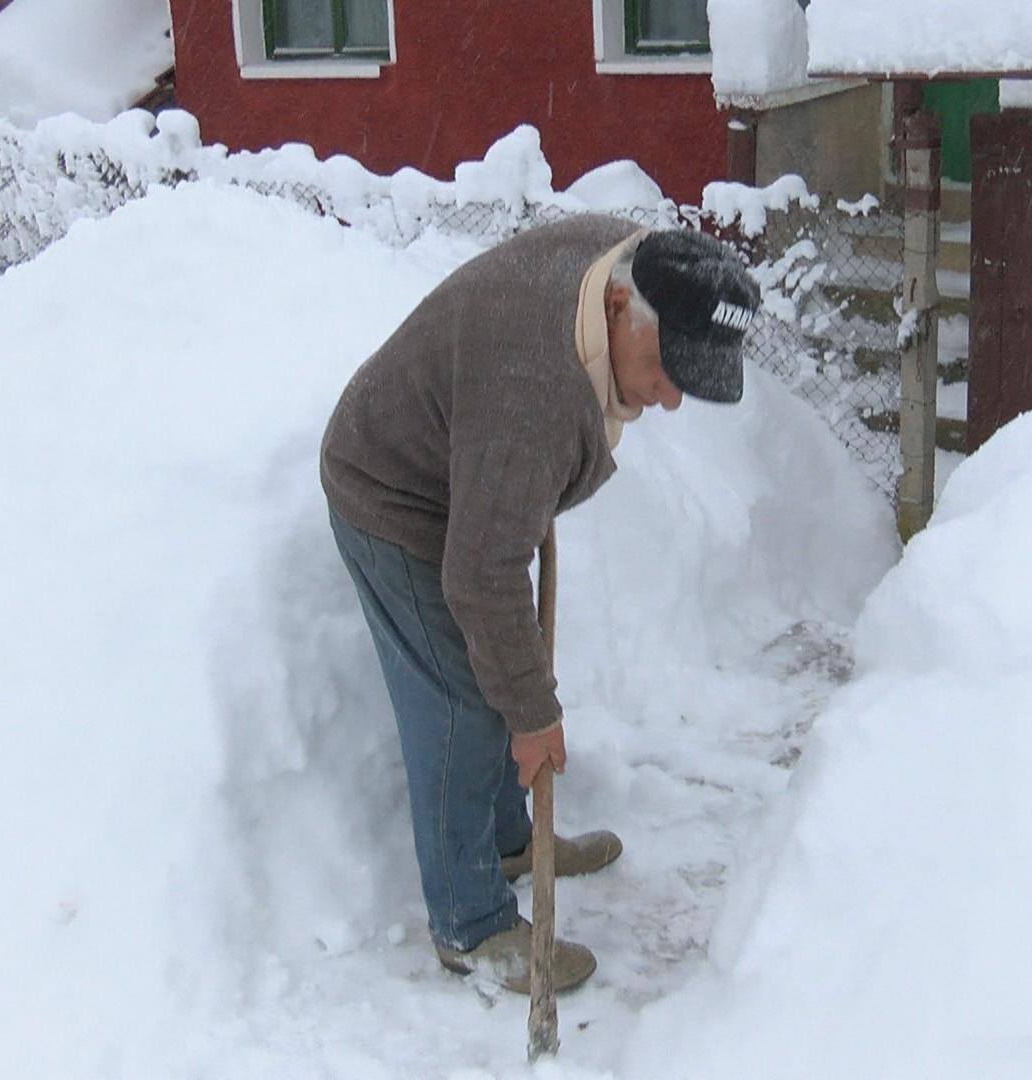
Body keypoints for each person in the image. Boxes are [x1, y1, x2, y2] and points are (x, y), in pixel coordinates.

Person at [320, 214, 762, 994]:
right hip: (395, 492)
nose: (669, 399)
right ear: (621, 309)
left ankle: (504, 841)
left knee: (496, 672)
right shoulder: (538, 393)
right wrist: (533, 717)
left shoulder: (633, 260)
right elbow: (480, 574)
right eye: (666, 370)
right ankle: (469, 923)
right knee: (462, 698)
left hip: (475, 475)